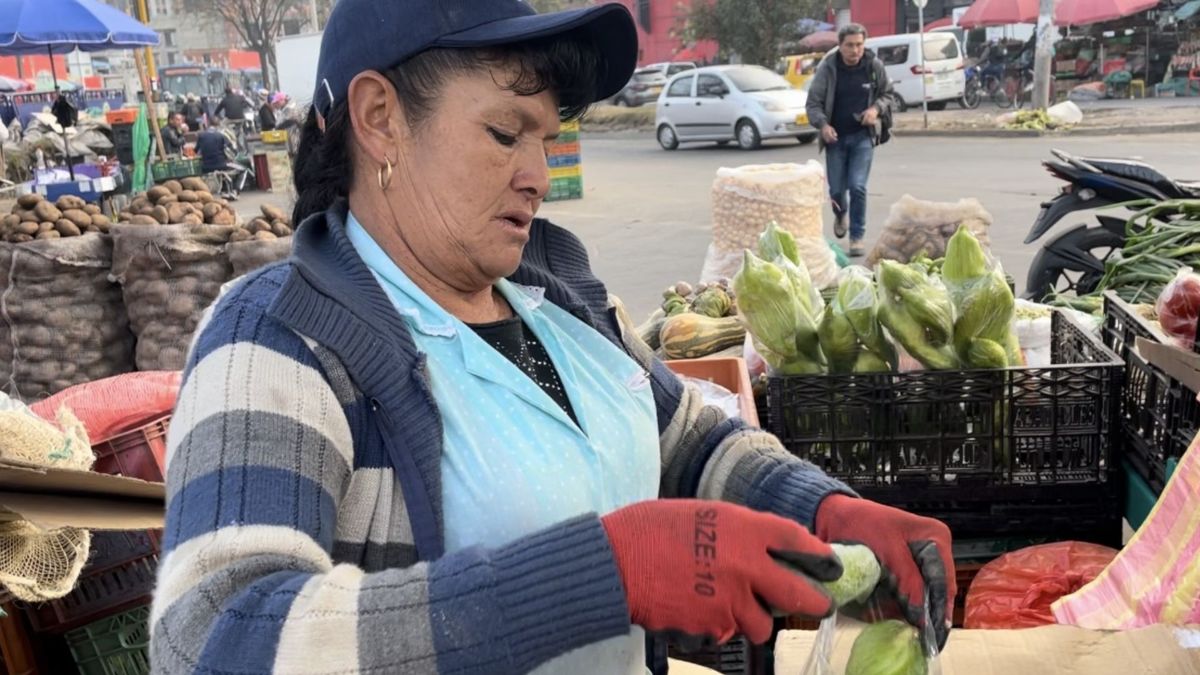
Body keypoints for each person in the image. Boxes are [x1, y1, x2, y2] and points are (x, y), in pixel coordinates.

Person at [150, 2, 954, 673]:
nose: (537, 170)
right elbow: (210, 637)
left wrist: (828, 512)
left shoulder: (551, 293)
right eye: (506, 132)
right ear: (380, 119)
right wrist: (604, 571)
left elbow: (693, 444)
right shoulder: (283, 334)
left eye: (546, 135)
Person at [806, 23, 897, 258]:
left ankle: (857, 236)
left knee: (858, 187)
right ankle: (840, 214)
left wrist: (875, 109)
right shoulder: (828, 69)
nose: (855, 50)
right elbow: (813, 104)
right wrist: (823, 126)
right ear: (840, 45)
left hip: (862, 137)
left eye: (859, 45)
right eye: (849, 45)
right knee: (836, 191)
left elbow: (888, 94)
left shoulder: (873, 66)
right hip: (835, 138)